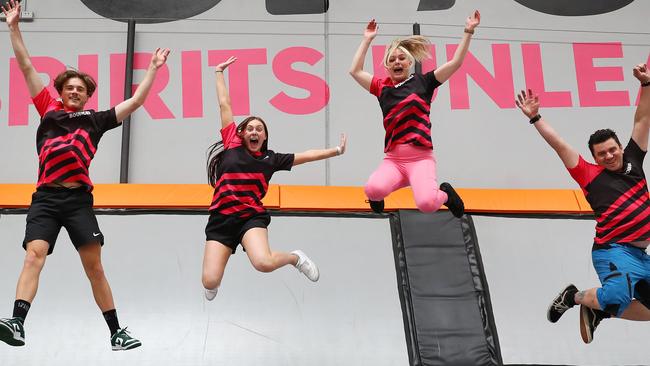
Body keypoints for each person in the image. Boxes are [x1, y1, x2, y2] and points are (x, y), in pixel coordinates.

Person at [0, 0, 170, 350]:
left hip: (78, 200)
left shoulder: (96, 120)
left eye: (81, 88)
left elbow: (136, 102)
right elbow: (27, 66)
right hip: (46, 197)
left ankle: (116, 333)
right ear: (61, 92)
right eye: (69, 87)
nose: (75, 91)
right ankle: (17, 322)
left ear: (87, 95)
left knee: (94, 267)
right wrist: (13, 27)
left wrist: (153, 68)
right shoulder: (48, 109)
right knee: (35, 253)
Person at [515, 63, 650, 344]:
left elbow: (642, 120)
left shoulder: (634, 160)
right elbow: (559, 145)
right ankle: (574, 297)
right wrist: (535, 117)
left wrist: (646, 85)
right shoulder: (589, 175)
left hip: (640, 256)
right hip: (612, 250)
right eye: (602, 154)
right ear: (595, 158)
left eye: (613, 149)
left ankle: (600, 312)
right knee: (615, 295)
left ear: (621, 148)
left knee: (640, 308)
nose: (609, 155)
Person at [202, 56, 347, 300]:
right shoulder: (232, 144)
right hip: (221, 219)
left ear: (265, 137)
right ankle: (212, 279)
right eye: (250, 128)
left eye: (260, 129)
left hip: (250, 217)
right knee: (210, 280)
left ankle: (295, 257)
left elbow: (306, 156)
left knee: (263, 263)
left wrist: (335, 150)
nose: (254, 131)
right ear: (241, 134)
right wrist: (218, 73)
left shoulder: (271, 159)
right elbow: (224, 105)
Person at [348, 11, 480, 216]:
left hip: (421, 160)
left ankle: (446, 194)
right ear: (387, 66)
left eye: (402, 58)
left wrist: (468, 31)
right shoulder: (382, 87)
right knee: (372, 190)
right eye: (392, 60)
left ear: (409, 63)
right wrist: (367, 40)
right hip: (394, 161)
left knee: (427, 204)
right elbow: (355, 71)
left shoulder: (423, 82)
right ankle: (379, 196)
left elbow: (455, 63)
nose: (397, 62)